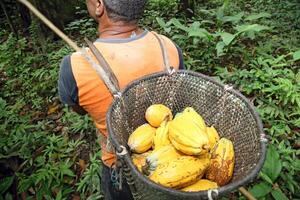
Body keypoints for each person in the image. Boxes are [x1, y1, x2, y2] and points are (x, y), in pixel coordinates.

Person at [58, 0, 184, 199]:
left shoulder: (75, 66)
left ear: (99, 5)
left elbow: (80, 109)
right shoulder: (168, 46)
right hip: (173, 164)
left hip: (120, 169)